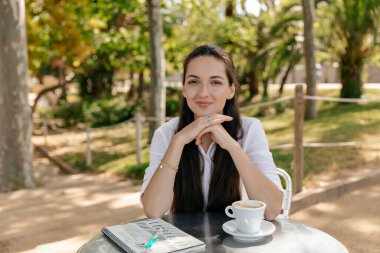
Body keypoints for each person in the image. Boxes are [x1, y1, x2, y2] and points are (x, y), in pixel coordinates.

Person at [141, 45, 283, 220]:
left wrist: (233, 147)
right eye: (194, 82)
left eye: (215, 82)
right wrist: (179, 141)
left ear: (231, 90)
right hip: (185, 242)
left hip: (237, 242)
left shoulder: (249, 129)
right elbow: (153, 211)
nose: (203, 93)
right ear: (184, 89)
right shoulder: (166, 134)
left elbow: (272, 210)